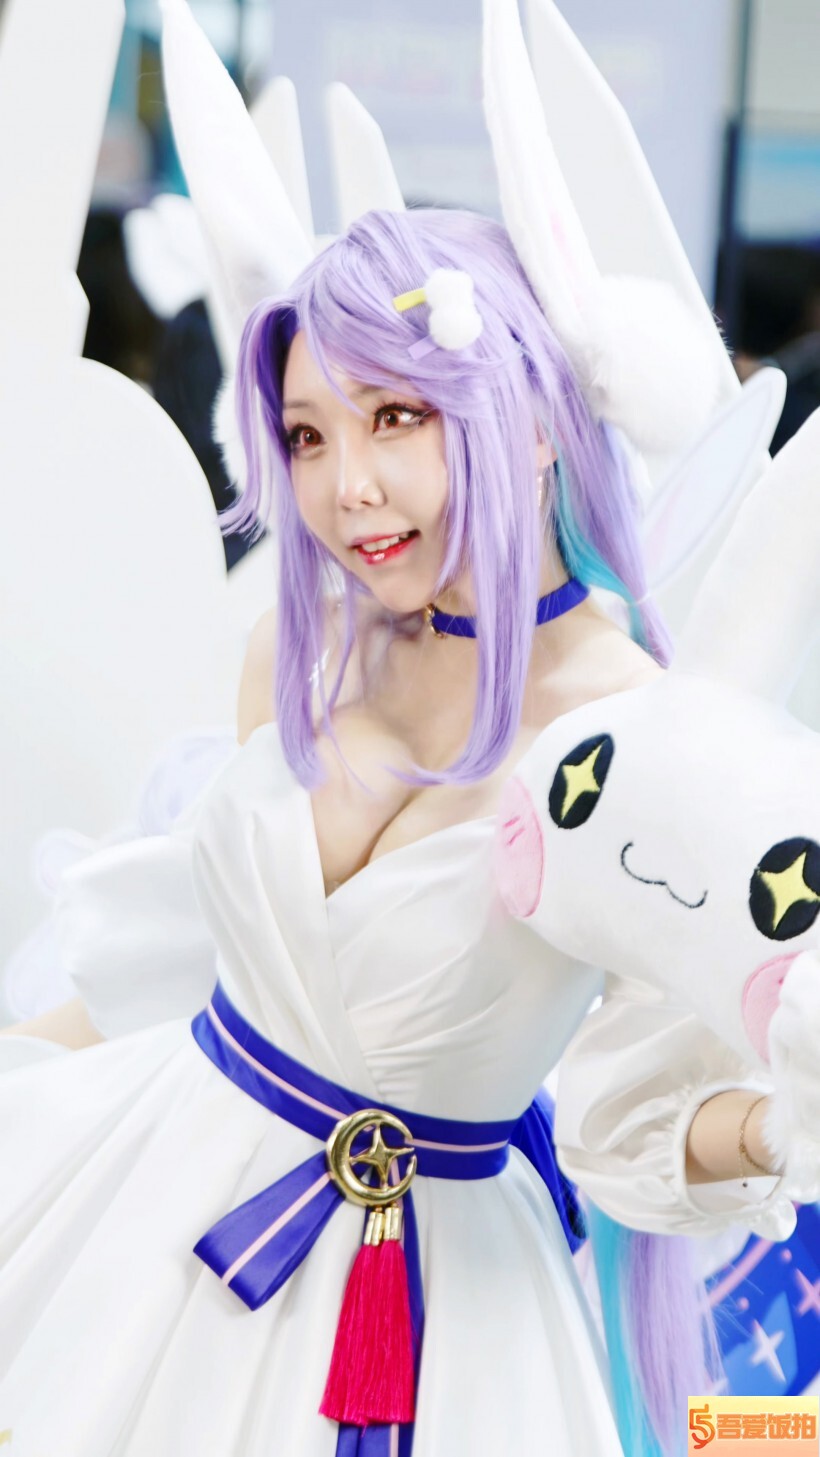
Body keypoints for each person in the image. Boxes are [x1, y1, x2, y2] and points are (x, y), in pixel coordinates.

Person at [0, 204, 793, 1457]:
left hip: (443, 1315)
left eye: (396, 417)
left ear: (531, 421)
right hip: (150, 1217)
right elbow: (193, 953)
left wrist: (776, 1126)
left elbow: (631, 1109)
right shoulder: (302, 648)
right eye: (308, 434)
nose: (344, 486)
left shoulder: (631, 732)